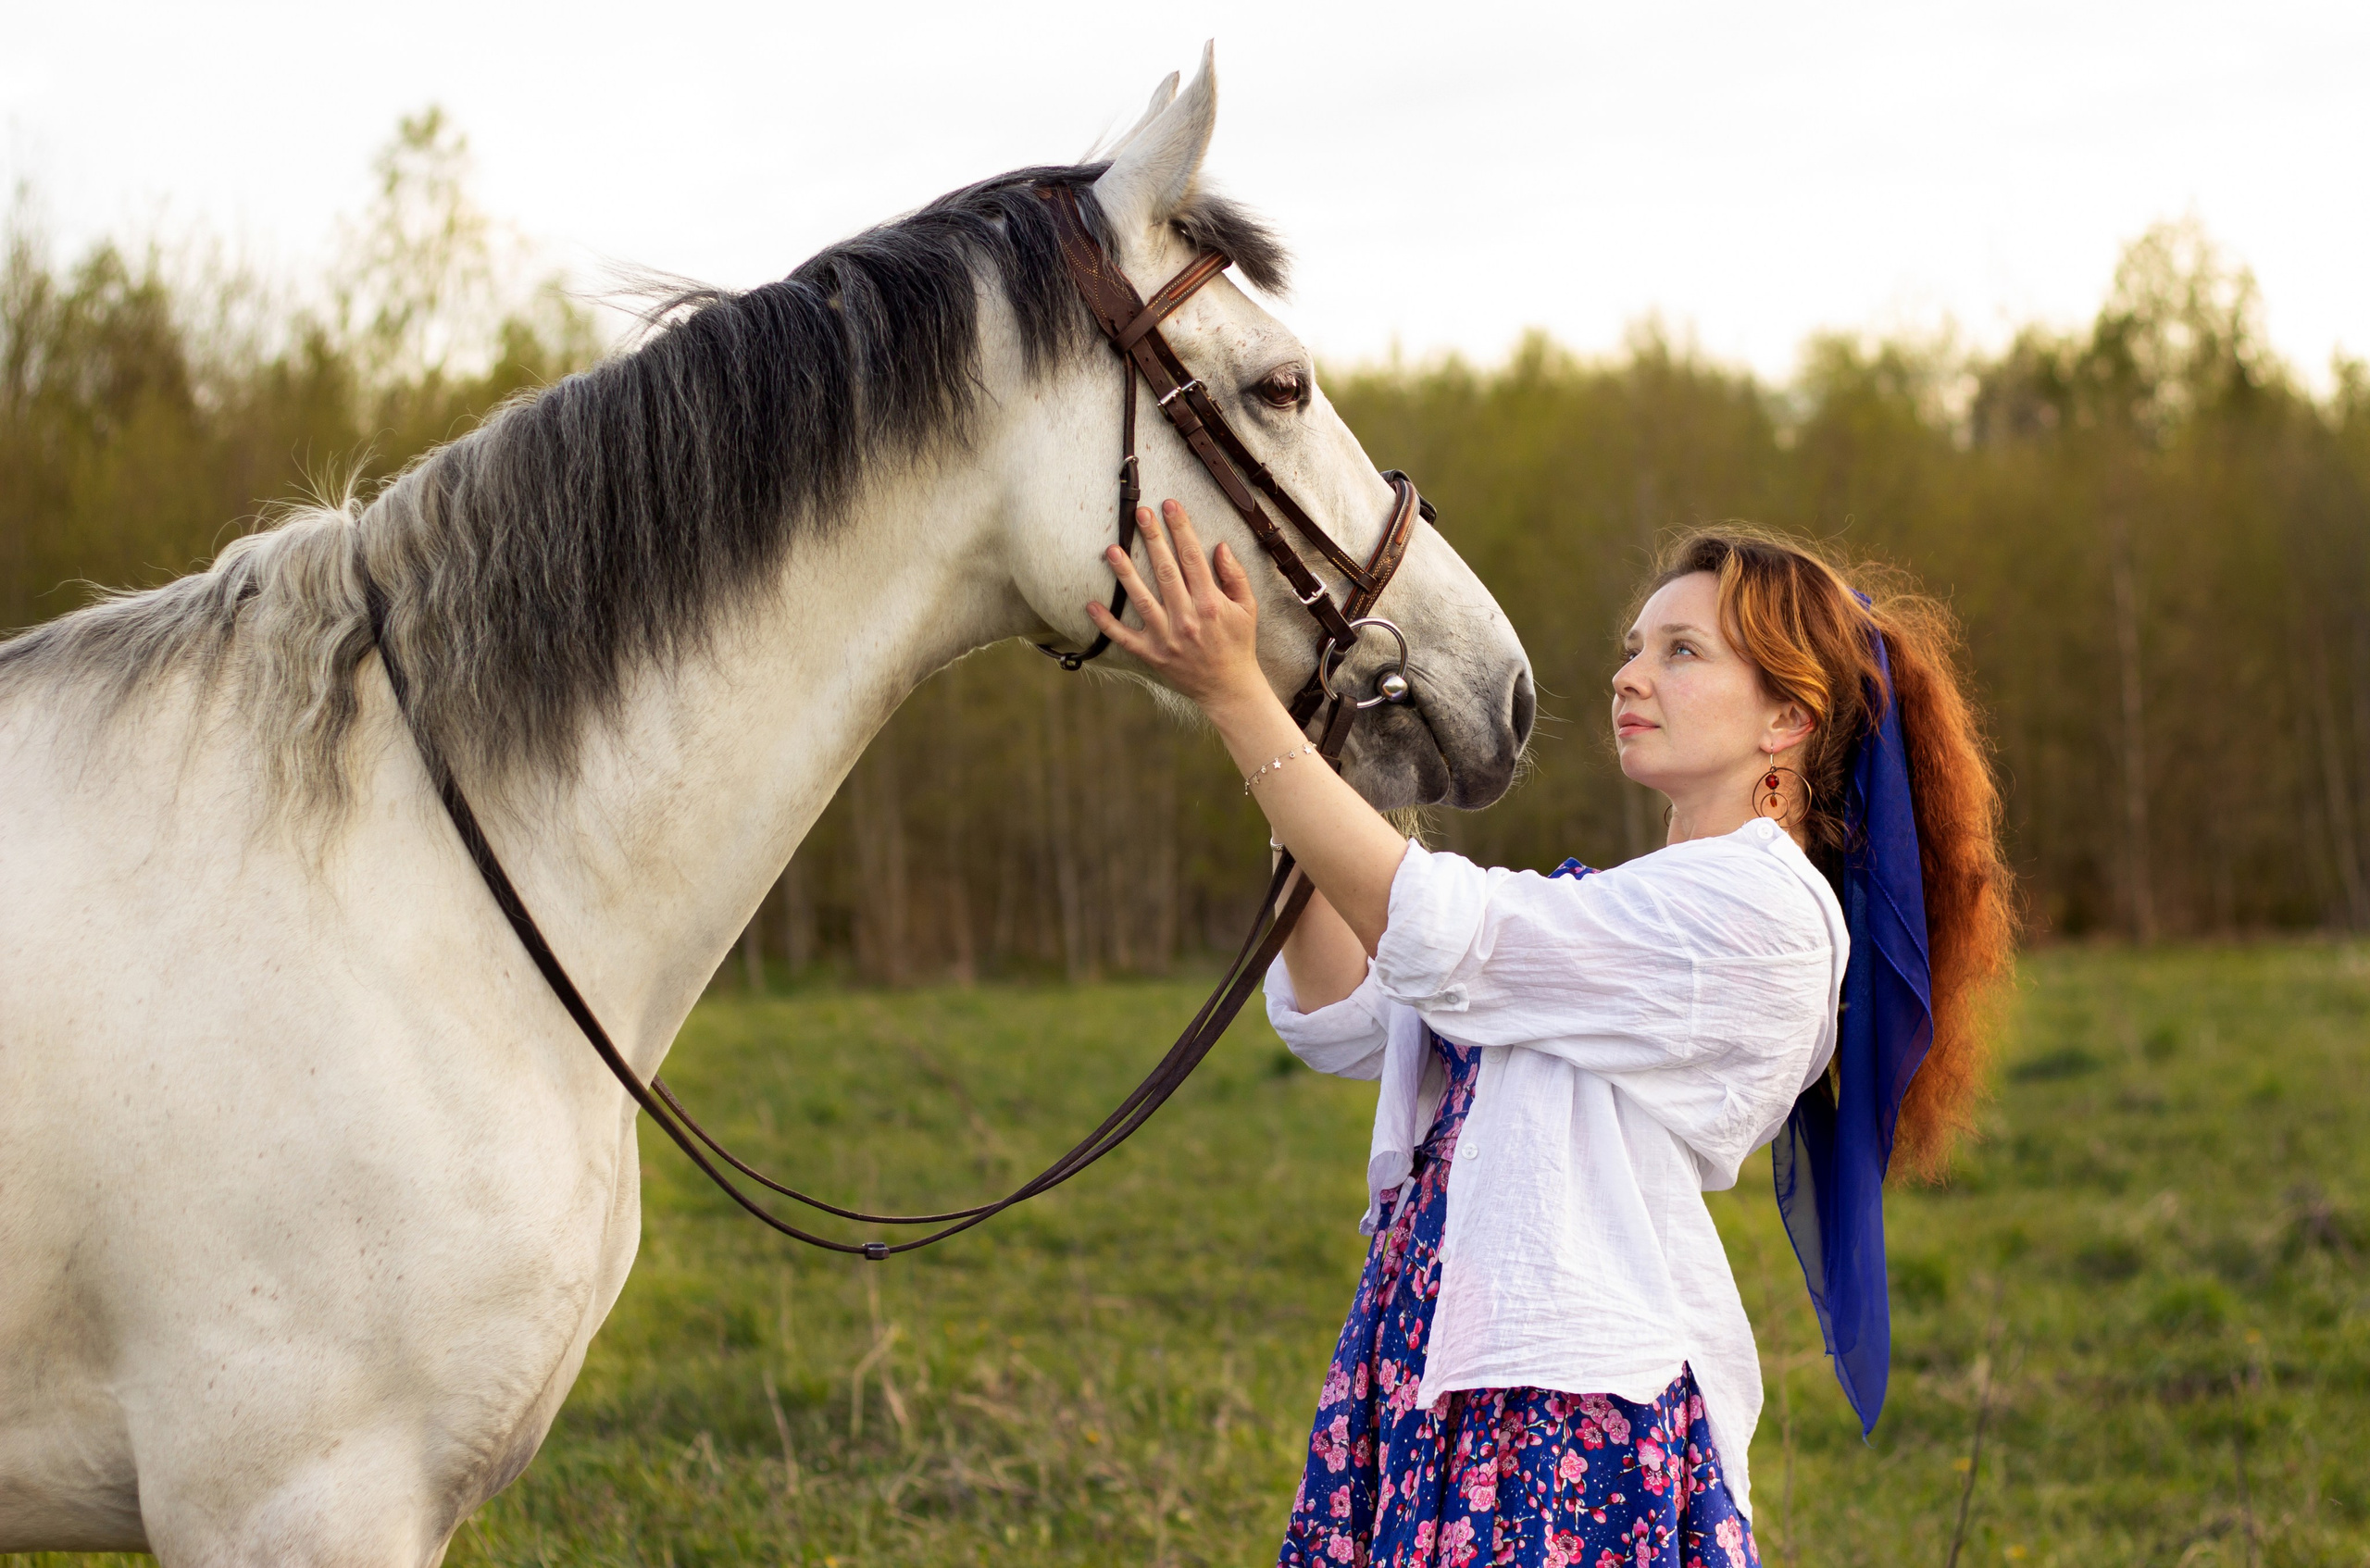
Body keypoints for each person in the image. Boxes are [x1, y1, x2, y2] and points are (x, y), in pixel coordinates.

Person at [1084, 501, 2014, 1568]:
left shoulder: (1764, 917)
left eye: (1680, 651)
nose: (1628, 676)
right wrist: (1297, 737)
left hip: (1570, 1410)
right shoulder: (1616, 911)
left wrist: (1241, 704)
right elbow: (1347, 1004)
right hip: (1439, 1361)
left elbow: (1445, 931)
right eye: (1633, 650)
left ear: (1787, 719)